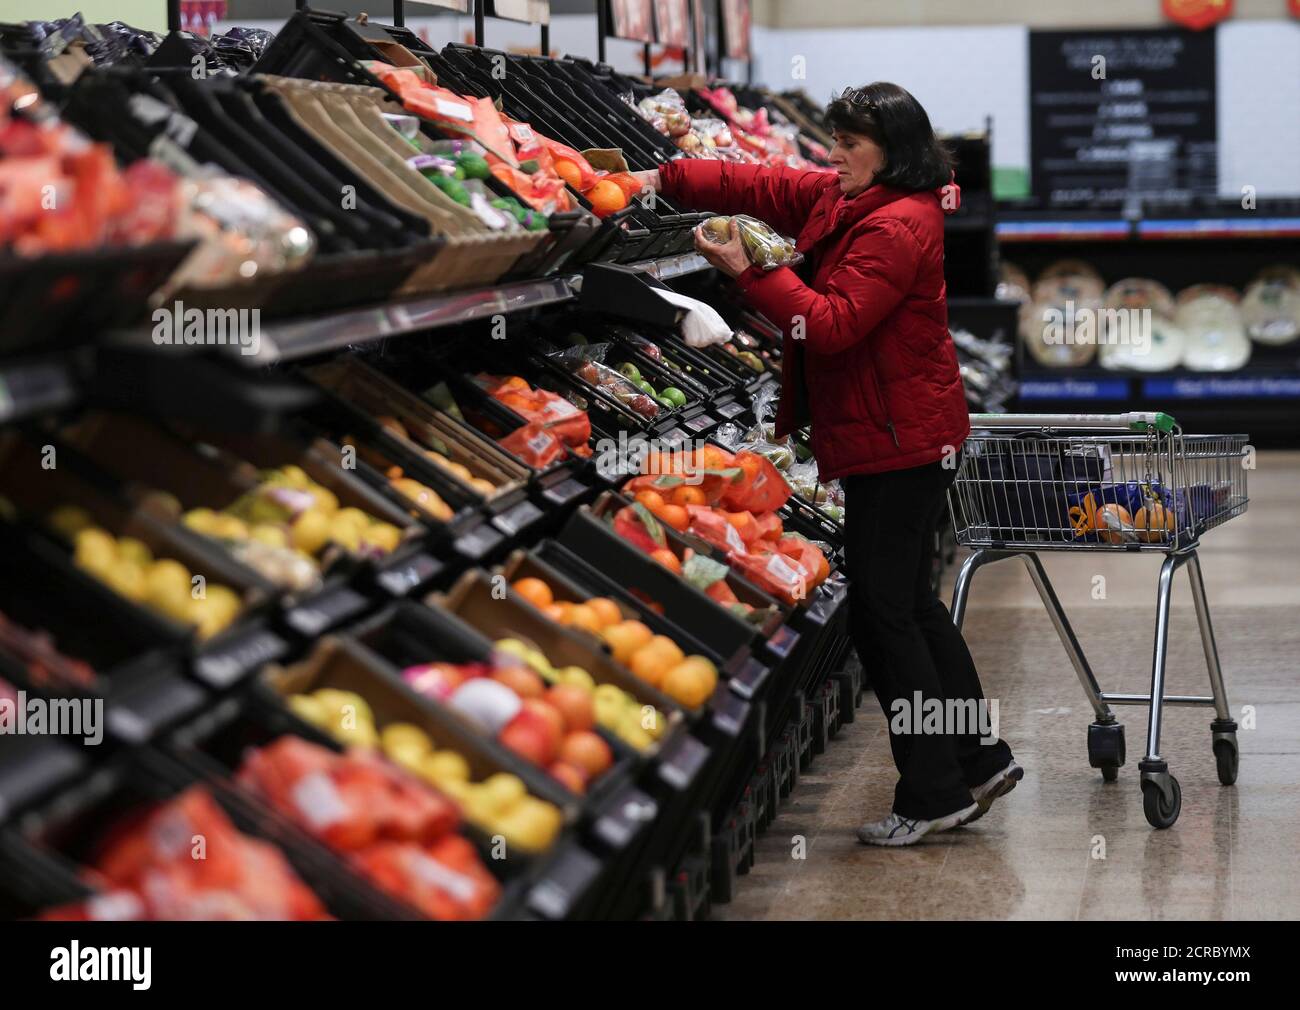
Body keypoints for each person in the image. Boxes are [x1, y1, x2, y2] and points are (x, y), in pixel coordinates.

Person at [634, 82, 1021, 846]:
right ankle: (977, 756)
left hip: (899, 442)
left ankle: (934, 790)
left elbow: (831, 326)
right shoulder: (856, 197)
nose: (832, 154)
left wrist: (750, 271)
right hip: (895, 434)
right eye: (835, 139)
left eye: (849, 144)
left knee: (885, 615)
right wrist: (666, 178)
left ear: (893, 153)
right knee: (910, 605)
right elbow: (766, 183)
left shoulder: (897, 225)